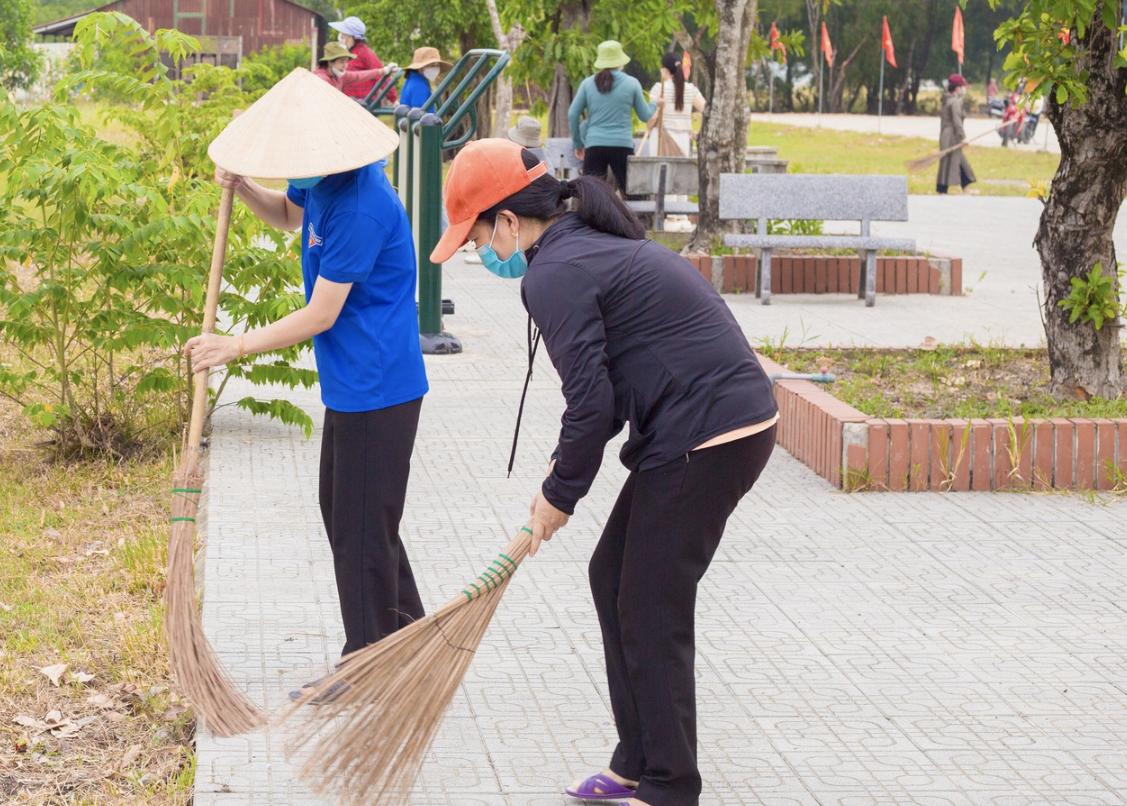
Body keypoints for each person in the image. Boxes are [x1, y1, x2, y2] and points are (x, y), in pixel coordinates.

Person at [429, 138, 778, 806]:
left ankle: (671, 784)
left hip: (712, 431)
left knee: (650, 601)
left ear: (506, 220)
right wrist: (559, 480)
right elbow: (607, 397)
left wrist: (560, 492)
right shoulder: (574, 243)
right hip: (701, 424)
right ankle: (636, 757)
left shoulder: (553, 272)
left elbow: (592, 403)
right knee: (612, 576)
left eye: (475, 239)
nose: (479, 254)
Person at [187, 73, 428, 698]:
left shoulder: (361, 205)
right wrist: (244, 189)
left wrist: (232, 346)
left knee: (362, 526)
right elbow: (288, 216)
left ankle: (366, 663)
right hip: (351, 383)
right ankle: (411, 639)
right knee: (354, 516)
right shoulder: (320, 177)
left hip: (381, 384)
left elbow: (321, 314)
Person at [569, 41, 656, 196]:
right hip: (622, 145)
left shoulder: (587, 84)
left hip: (594, 145)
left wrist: (578, 143)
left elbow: (572, 114)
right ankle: (637, 220)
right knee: (632, 193)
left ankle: (592, 221)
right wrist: (655, 104)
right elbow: (645, 115)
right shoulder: (632, 83)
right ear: (620, 62)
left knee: (591, 195)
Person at [642, 51, 706, 156]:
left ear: (665, 70)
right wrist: (700, 132)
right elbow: (706, 110)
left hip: (661, 138)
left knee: (659, 171)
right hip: (683, 140)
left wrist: (649, 126)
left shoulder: (659, 88)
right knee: (679, 172)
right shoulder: (691, 89)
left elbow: (652, 118)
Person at [938, 72, 977, 195]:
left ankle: (965, 187)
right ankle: (941, 190)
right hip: (952, 136)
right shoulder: (954, 102)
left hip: (946, 134)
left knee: (959, 160)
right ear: (957, 88)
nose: (963, 89)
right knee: (949, 161)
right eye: (962, 87)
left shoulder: (947, 100)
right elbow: (957, 121)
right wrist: (963, 137)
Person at [329, 16, 384, 101]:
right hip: (348, 102)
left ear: (350, 36)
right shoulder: (348, 52)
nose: (341, 36)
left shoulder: (364, 52)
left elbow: (381, 74)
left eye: (343, 33)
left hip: (364, 104)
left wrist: (393, 99)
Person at [315, 41, 395, 98]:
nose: (345, 66)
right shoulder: (321, 80)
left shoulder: (339, 75)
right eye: (341, 62)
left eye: (346, 62)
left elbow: (358, 76)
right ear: (330, 62)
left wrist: (382, 71)